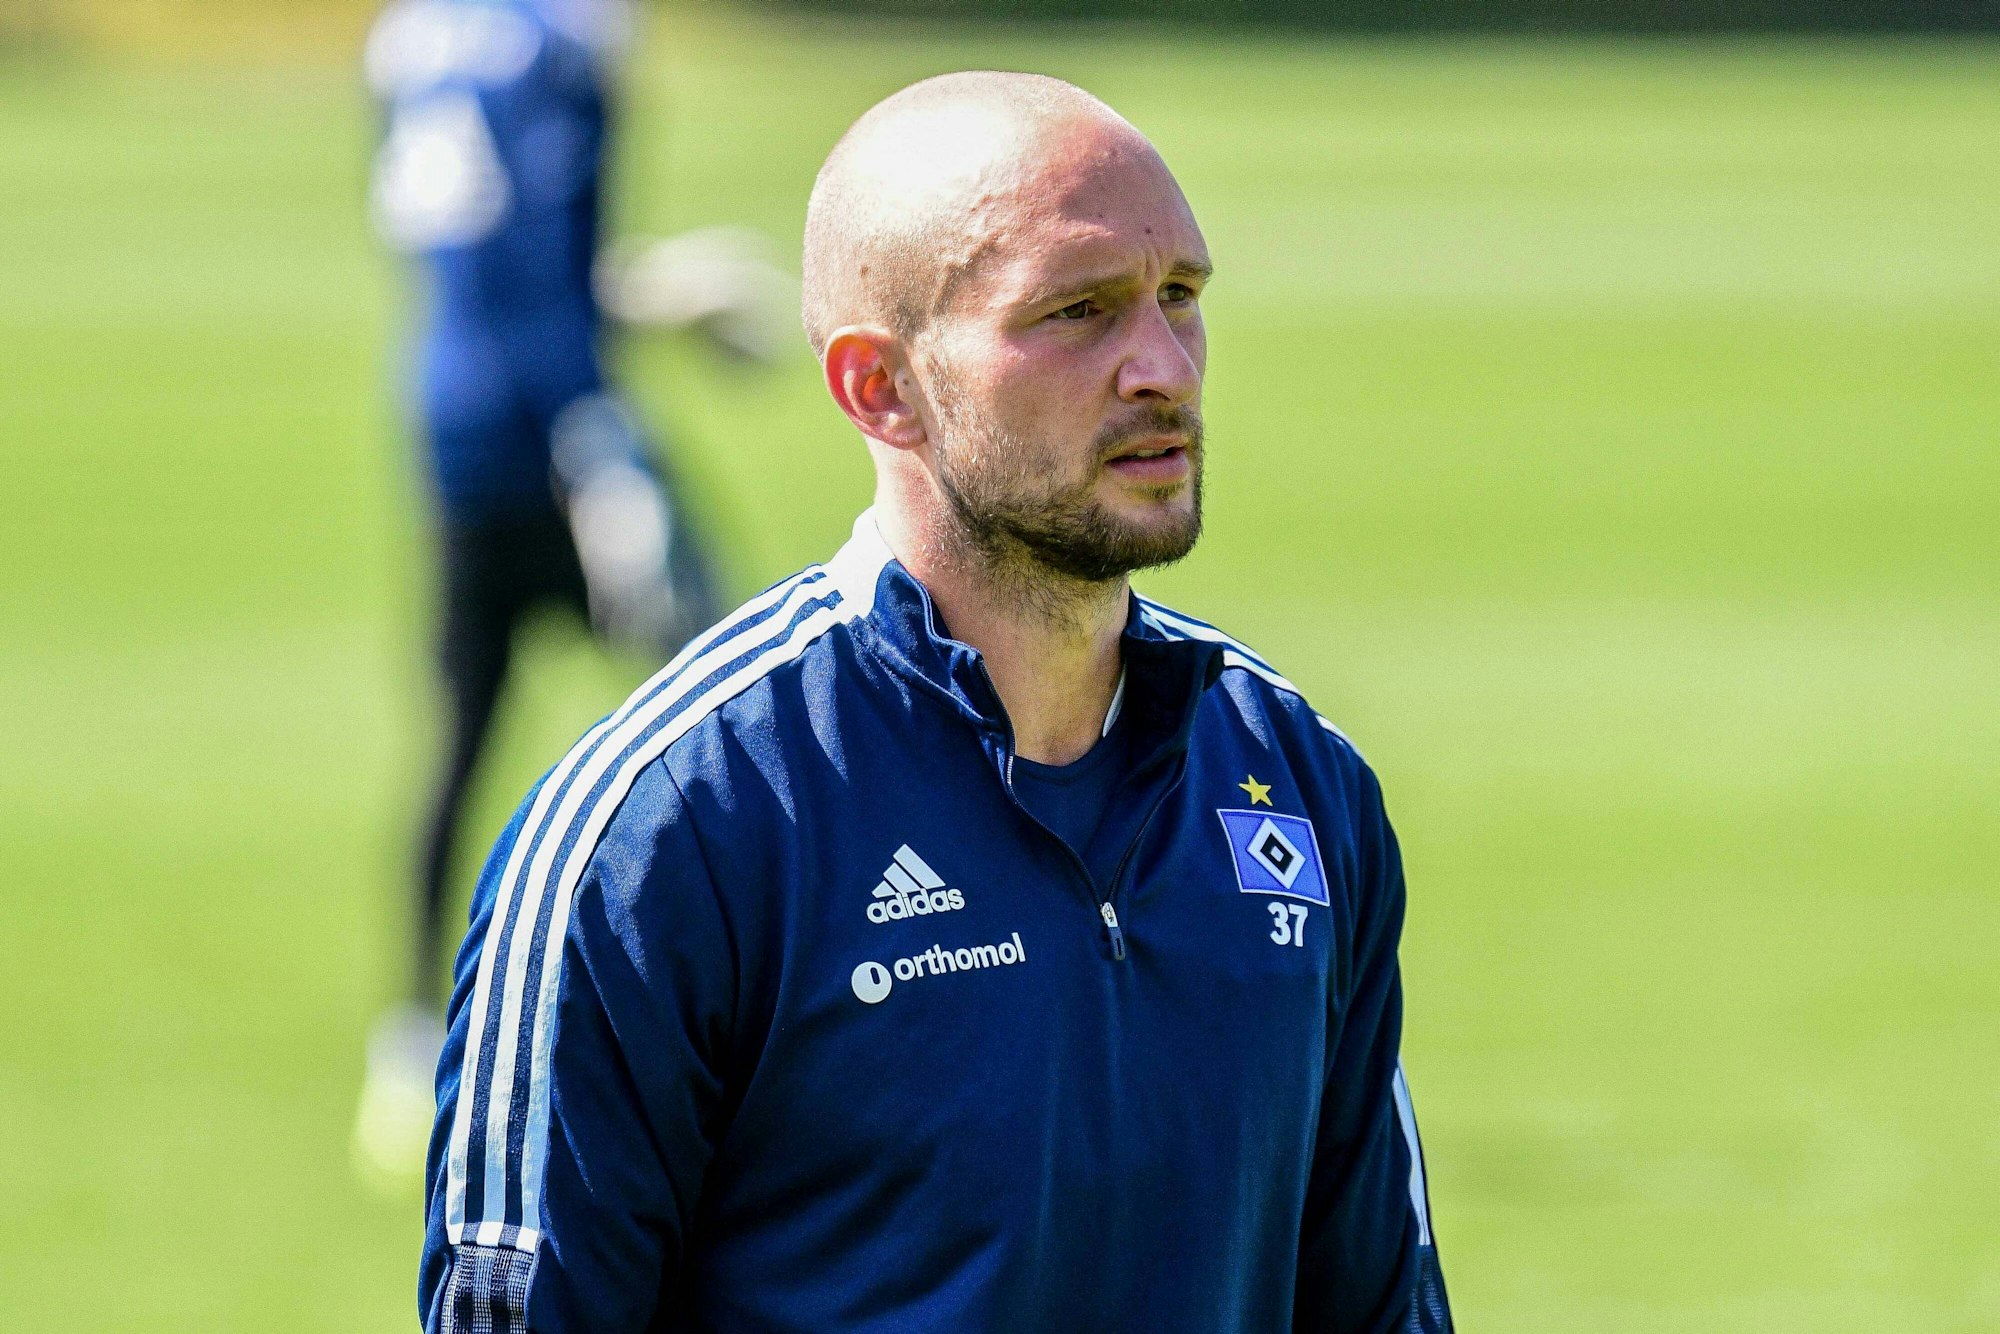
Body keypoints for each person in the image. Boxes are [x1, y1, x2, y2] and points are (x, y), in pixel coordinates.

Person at [421, 71, 1452, 1332]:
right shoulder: (662, 833)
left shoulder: (1297, 777)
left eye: (1179, 297)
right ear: (878, 385)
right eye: (1076, 311)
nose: (1160, 368)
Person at [353, 0, 776, 1183]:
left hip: (450, 425)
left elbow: (479, 260)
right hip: (556, 432)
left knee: (460, 732)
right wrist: (600, 451)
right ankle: (773, 1016)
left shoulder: (413, 35)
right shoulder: (566, 43)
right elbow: (535, 262)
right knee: (737, 719)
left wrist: (644, 299)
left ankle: (408, 1042)